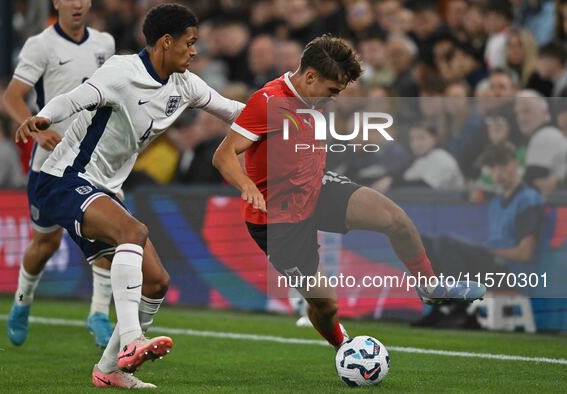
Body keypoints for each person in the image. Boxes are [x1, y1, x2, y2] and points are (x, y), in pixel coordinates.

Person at [14, 3, 244, 388]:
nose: (194, 51)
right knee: (132, 233)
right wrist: (45, 118)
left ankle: (108, 371)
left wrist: (290, 113)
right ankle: (132, 341)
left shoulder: (184, 83)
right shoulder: (122, 72)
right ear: (166, 42)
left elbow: (234, 110)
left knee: (157, 282)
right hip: (64, 177)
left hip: (104, 188)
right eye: (189, 43)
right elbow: (73, 98)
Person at [212, 35, 485, 352]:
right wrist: (246, 186)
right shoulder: (269, 101)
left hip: (316, 188)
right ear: (311, 76)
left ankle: (428, 285)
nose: (334, 98)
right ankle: (344, 346)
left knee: (395, 219)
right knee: (325, 306)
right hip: (277, 218)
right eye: (332, 91)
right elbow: (223, 155)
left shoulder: (313, 97)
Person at [3, 0, 116, 348]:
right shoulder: (41, 45)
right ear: (57, 3)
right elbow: (12, 97)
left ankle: (98, 314)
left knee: (109, 239)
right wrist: (37, 130)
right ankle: (22, 302)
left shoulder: (105, 44)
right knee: (45, 244)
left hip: (92, 162)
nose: (77, 4)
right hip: (49, 166)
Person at [418, 142, 544, 328]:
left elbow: (525, 253)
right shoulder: (495, 203)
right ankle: (439, 307)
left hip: (513, 273)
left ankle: (461, 309)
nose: (498, 173)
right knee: (423, 243)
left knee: (446, 242)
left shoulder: (528, 199)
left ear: (516, 164)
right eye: (493, 167)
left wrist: (488, 250)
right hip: (493, 266)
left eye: (503, 165)